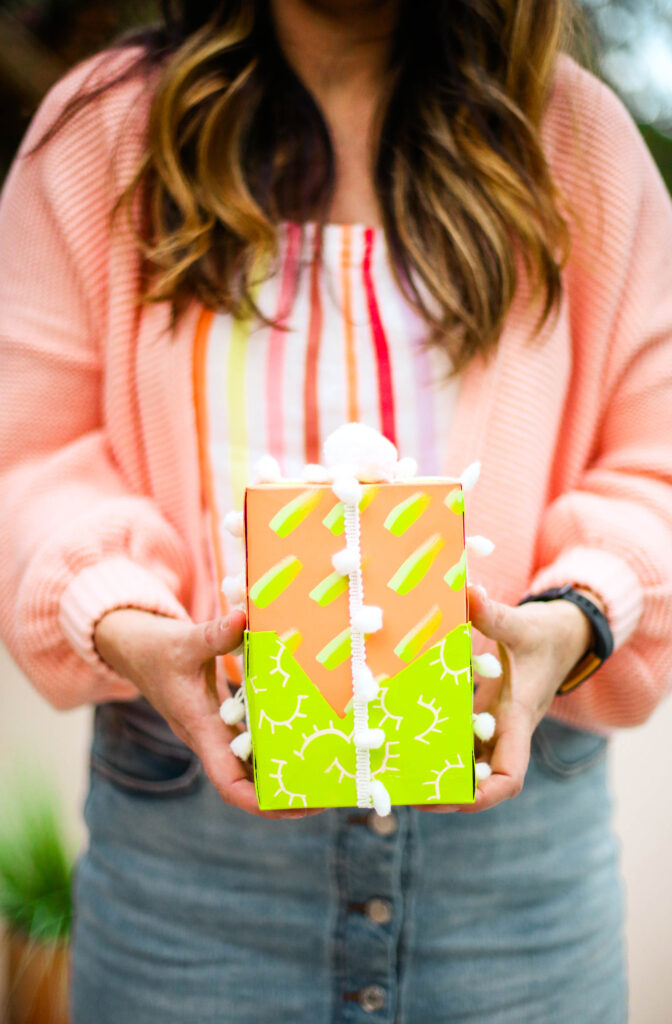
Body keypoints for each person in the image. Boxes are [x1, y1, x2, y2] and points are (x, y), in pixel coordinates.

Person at [1, 0, 671, 1020]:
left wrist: (574, 616)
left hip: (515, 874)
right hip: (189, 867)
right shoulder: (104, 136)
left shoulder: (574, 141)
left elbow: (655, 459)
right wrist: (126, 620)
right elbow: (29, 454)